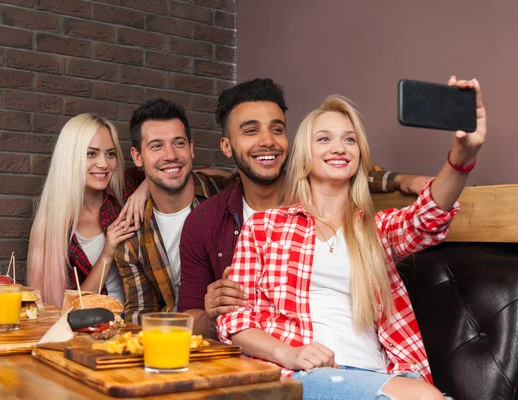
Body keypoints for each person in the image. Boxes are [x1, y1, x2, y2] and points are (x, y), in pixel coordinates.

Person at [216, 77, 485, 399]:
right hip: (298, 373)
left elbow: (428, 216)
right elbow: (235, 321)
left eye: (350, 140)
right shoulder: (264, 226)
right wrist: (290, 354)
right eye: (324, 139)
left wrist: (464, 152)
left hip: (380, 375)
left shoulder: (376, 231)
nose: (339, 148)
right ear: (303, 156)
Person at [178, 78, 431, 338]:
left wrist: (402, 180)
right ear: (227, 146)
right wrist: (213, 315)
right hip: (253, 355)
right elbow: (187, 317)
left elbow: (351, 170)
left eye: (277, 130)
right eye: (251, 131)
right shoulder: (203, 221)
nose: (268, 141)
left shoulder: (322, 191)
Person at [114, 99, 229, 324]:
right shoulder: (132, 238)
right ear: (137, 157)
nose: (171, 155)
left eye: (178, 143)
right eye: (156, 146)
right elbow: (140, 317)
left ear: (191, 148)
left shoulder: (224, 194)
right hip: (176, 343)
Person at [27, 113, 149, 308]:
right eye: (91, 153)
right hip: (93, 328)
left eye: (110, 154)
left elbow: (184, 172)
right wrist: (107, 252)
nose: (104, 164)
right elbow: (70, 308)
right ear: (70, 158)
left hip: (139, 323)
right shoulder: (52, 227)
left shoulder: (127, 191)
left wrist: (145, 188)